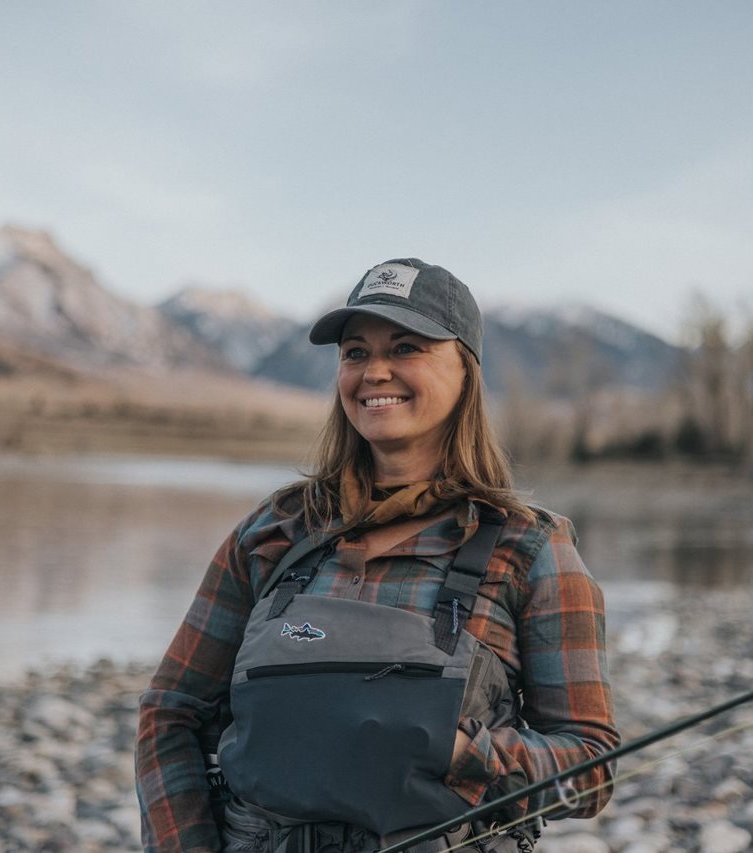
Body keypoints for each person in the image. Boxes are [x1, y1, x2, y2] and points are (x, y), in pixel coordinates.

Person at [137, 259, 618, 852]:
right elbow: (169, 711)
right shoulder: (273, 531)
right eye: (355, 352)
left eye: (406, 347)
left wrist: (468, 754)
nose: (374, 372)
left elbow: (592, 769)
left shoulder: (532, 548)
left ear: (465, 373)